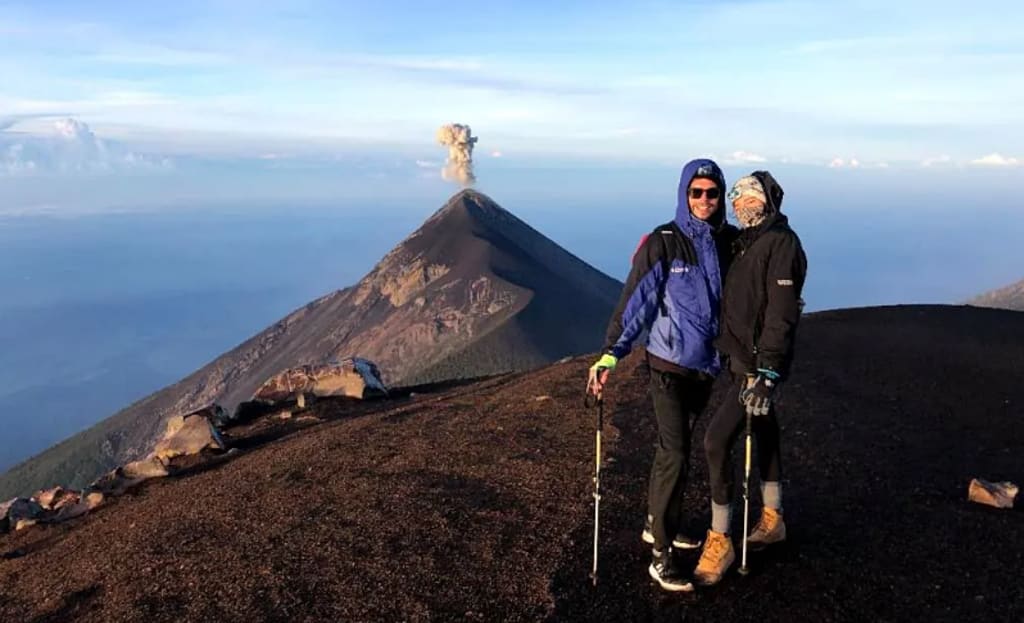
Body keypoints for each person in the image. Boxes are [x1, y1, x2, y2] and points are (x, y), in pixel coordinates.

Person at [587, 158, 738, 592]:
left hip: (704, 369)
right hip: (667, 366)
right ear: (683, 194)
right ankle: (661, 556)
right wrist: (610, 355)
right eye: (697, 193)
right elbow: (636, 302)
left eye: (712, 192)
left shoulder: (728, 242)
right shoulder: (665, 242)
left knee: (677, 448)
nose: (705, 200)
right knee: (674, 452)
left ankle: (657, 524)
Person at [692, 171, 807, 586]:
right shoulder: (749, 241)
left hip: (758, 368)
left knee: (716, 440)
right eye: (737, 198)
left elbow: (781, 313)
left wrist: (768, 373)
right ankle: (774, 518)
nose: (742, 203)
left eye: (750, 196)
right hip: (744, 361)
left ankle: (721, 536)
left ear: (770, 199)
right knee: (765, 428)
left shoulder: (780, 244)